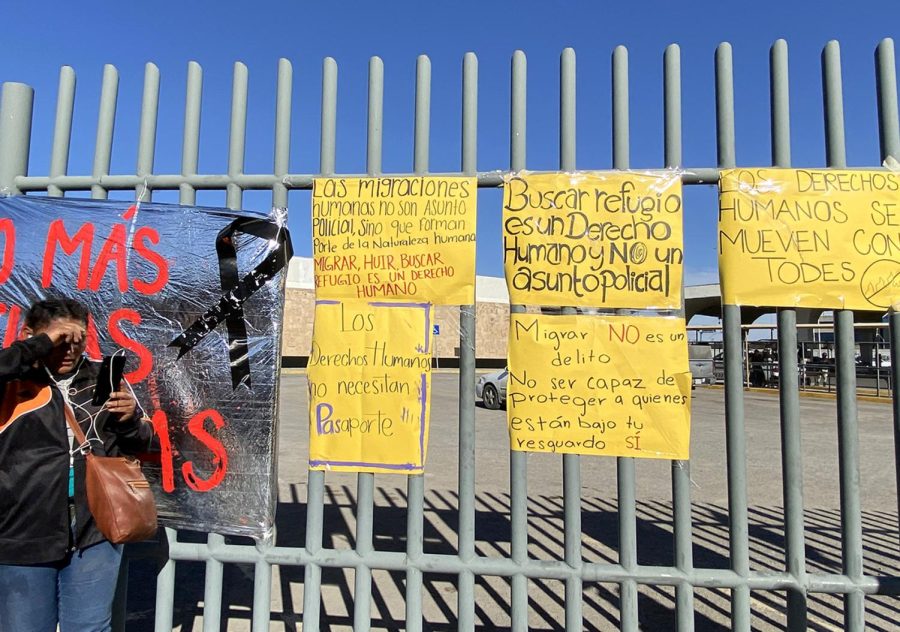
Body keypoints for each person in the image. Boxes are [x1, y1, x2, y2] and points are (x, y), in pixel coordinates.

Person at [0, 298, 154, 632]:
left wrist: (129, 421)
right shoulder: (11, 383)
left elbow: (138, 446)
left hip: (95, 528)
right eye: (60, 340)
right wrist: (38, 346)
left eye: (78, 340)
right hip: (23, 532)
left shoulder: (101, 377)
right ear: (30, 335)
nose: (70, 349)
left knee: (89, 627)